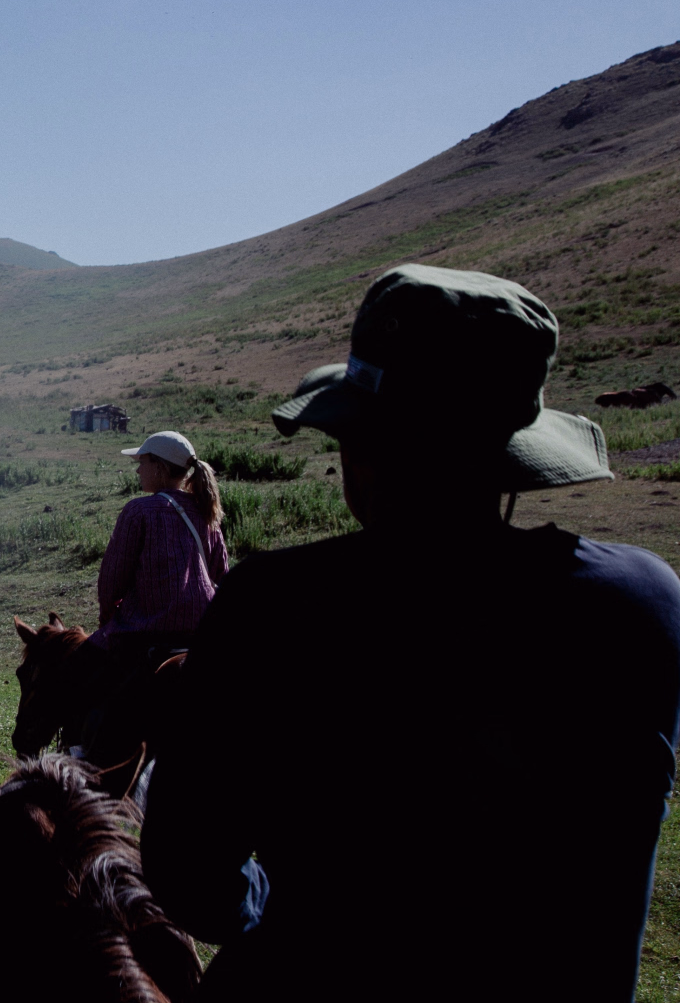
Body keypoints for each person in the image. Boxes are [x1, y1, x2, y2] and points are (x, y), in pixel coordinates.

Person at [143, 264, 680, 1000]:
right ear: (512, 456)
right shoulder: (644, 602)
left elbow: (192, 881)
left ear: (361, 452)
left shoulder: (275, 606)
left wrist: (271, 903)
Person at [71, 430, 227, 764]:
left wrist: (108, 618)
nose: (138, 470)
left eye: (142, 462)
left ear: (158, 467)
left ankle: (81, 755)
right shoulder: (206, 511)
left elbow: (113, 577)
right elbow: (220, 574)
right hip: (201, 633)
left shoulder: (139, 512)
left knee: (79, 667)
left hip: (149, 631)